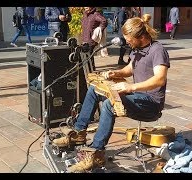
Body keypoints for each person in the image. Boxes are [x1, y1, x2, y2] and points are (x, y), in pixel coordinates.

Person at [52, 13, 170, 173]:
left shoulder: (157, 50)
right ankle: (78, 133)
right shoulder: (136, 49)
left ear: (140, 36)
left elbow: (160, 79)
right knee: (94, 89)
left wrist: (130, 88)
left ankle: (96, 153)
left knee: (109, 104)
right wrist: (116, 73)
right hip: (138, 97)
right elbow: (130, 69)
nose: (126, 41)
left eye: (128, 38)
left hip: (151, 103)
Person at [81, 7, 107, 71]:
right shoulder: (85, 14)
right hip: (85, 38)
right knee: (87, 55)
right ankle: (90, 70)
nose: (86, 7)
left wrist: (99, 29)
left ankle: (91, 70)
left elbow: (104, 21)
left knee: (89, 55)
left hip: (91, 38)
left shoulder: (95, 14)